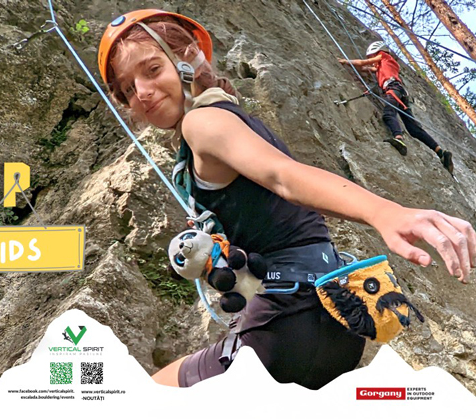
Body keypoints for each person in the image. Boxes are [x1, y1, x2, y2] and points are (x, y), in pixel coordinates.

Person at [97, 10, 475, 389]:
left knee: (147, 394)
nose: (141, 92)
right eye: (127, 90)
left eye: (152, 69)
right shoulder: (231, 117)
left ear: (186, 61)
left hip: (283, 324)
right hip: (336, 319)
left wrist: (385, 212)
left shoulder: (202, 122)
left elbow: (284, 177)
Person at [337, 42, 454, 174]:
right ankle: (441, 152)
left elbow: (364, 63)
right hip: (400, 91)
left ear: (378, 52)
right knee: (414, 129)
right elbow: (366, 68)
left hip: (393, 89)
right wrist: (352, 65)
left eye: (372, 57)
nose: (372, 61)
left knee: (388, 114)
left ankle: (399, 139)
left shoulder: (384, 56)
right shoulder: (384, 65)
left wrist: (345, 61)